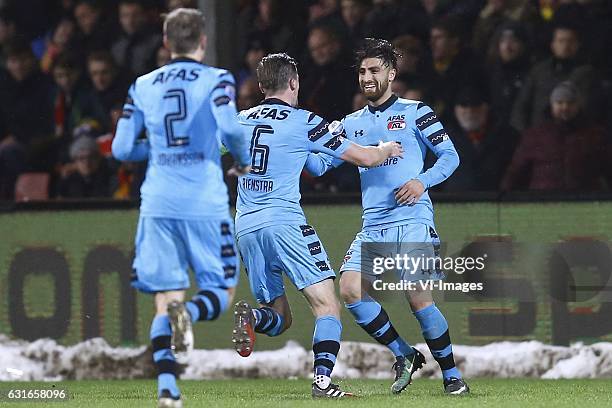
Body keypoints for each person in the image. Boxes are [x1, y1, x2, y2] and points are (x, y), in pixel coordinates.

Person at [231, 52, 402, 399]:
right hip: (285, 222)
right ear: (294, 83)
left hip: (246, 227)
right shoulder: (305, 120)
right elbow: (365, 158)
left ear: (262, 86)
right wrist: (386, 148)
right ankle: (323, 383)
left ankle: (253, 317)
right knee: (327, 306)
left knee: (279, 317)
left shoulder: (238, 120)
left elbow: (209, 150)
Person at [304, 38, 468, 395]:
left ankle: (452, 374)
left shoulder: (416, 112)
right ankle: (403, 353)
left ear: (391, 74)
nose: (367, 77)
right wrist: (306, 141)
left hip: (412, 217)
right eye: (362, 71)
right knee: (350, 290)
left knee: (416, 295)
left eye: (374, 70)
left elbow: (450, 157)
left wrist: (421, 182)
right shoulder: (349, 123)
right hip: (374, 224)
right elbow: (319, 167)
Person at [111, 8, 250, 408]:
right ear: (202, 41)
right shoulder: (217, 78)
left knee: (166, 298)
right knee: (221, 292)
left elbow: (121, 149)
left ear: (166, 43)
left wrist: (153, 150)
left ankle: (168, 390)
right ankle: (188, 314)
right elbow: (229, 129)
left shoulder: (142, 85)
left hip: (157, 202)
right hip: (203, 201)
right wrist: (239, 160)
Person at [501, 81, 610, 191]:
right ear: (552, 105)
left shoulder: (595, 135)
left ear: (578, 105)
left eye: (570, 102)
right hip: (543, 202)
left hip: (583, 202)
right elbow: (516, 172)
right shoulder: (535, 135)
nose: (565, 107)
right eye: (559, 102)